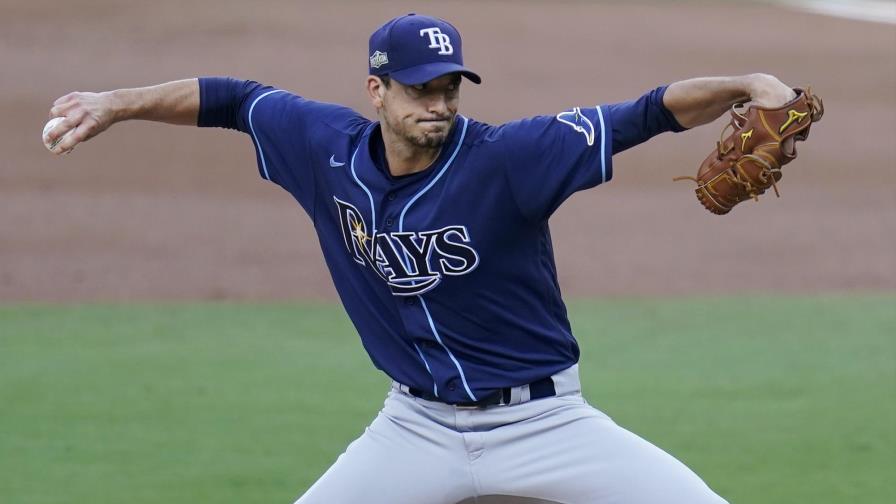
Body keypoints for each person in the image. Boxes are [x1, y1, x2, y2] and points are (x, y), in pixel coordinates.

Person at [45, 13, 798, 504]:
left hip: (546, 423)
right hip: (415, 429)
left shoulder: (510, 157)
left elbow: (647, 113)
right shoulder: (323, 148)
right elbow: (234, 100)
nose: (437, 103)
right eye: (419, 90)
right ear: (376, 90)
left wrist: (749, 84)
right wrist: (116, 100)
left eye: (448, 88)